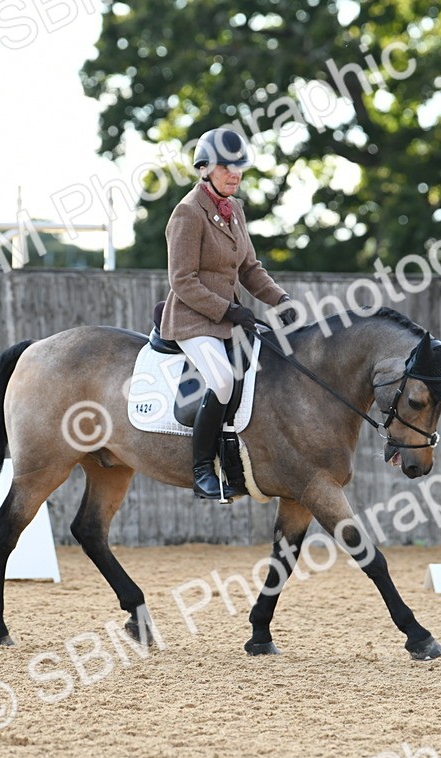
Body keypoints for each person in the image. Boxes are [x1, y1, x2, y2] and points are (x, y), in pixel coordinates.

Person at [159, 127, 298, 500]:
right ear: (204, 168)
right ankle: (202, 470)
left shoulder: (234, 209)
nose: (235, 173)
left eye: (239, 166)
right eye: (226, 167)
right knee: (221, 381)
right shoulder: (187, 213)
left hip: (228, 320)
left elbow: (250, 268)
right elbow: (182, 280)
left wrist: (280, 300)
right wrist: (229, 310)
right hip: (192, 320)